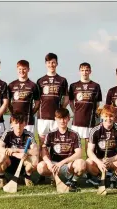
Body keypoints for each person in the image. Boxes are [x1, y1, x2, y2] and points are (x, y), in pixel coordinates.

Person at [36, 53, 69, 183]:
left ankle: (56, 172)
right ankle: (42, 173)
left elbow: (66, 98)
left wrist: (61, 109)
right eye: (49, 62)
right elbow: (38, 101)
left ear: (57, 63)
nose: (51, 64)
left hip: (57, 119)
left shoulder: (62, 80)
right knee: (42, 146)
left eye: (53, 62)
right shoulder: (40, 80)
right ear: (46, 64)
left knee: (57, 145)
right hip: (43, 118)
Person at [37, 108, 86, 192]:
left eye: (64, 118)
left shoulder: (74, 134)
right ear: (55, 119)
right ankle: (53, 178)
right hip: (54, 165)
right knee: (40, 167)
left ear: (68, 118)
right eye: (60, 118)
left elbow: (78, 154)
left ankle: (72, 181)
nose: (62, 121)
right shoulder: (50, 134)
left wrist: (62, 163)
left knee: (81, 164)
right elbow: (44, 151)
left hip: (68, 165)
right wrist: (49, 163)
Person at [86, 105, 117, 189]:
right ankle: (100, 177)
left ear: (114, 116)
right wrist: (99, 162)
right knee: (88, 162)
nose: (108, 119)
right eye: (106, 116)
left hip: (113, 160)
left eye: (111, 116)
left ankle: (113, 178)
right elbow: (89, 151)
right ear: (102, 116)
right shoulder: (95, 130)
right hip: (99, 160)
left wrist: (111, 159)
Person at [0, 114, 39, 189]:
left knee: (35, 159)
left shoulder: (29, 134)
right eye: (16, 123)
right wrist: (14, 153)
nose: (18, 126)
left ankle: (27, 177)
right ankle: (1, 178)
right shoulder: (8, 133)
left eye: (21, 123)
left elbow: (36, 151)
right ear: (12, 124)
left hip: (23, 163)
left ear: (25, 124)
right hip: (10, 163)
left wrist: (18, 150)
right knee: (0, 157)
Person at [69, 62, 102, 155]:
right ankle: (77, 165)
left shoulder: (96, 86)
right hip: (77, 121)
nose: (84, 72)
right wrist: (74, 111)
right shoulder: (73, 86)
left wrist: (93, 112)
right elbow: (70, 101)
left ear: (90, 71)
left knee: (89, 146)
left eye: (87, 70)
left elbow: (98, 103)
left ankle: (88, 165)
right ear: (79, 71)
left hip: (90, 121)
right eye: (82, 70)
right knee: (75, 146)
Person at [8, 60, 40, 133]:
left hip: (28, 121)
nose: (22, 71)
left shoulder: (33, 86)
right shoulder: (11, 85)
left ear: (28, 69)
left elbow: (37, 103)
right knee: (14, 142)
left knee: (28, 142)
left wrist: (31, 113)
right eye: (20, 69)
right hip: (14, 120)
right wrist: (13, 113)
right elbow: (8, 103)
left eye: (24, 69)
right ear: (17, 70)